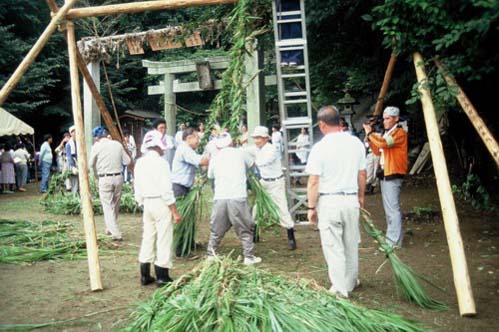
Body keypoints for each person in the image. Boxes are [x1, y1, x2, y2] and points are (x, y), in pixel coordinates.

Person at [306, 105, 366, 298]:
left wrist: (311, 206)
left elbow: (314, 181)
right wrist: (361, 196)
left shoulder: (319, 147)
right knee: (350, 243)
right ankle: (350, 281)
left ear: (322, 125)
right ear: (340, 121)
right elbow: (362, 173)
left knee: (333, 246)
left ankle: (340, 288)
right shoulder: (355, 143)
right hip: (351, 199)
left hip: (329, 201)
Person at [134, 130, 182, 287]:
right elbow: (166, 190)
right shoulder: (161, 163)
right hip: (161, 202)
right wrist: (174, 211)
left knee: (147, 236)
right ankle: (162, 275)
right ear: (158, 146)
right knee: (164, 238)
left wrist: (141, 201)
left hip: (147, 202)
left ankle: (145, 275)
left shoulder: (140, 162)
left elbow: (137, 187)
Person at [206, 133, 262, 265]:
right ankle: (248, 256)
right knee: (244, 227)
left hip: (220, 196)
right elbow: (253, 164)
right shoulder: (241, 153)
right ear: (231, 143)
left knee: (217, 227)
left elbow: (210, 175)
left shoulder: (215, 157)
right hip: (237, 195)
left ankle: (211, 253)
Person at [363, 106, 408, 247]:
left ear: (396, 119)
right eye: (384, 119)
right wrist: (370, 137)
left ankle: (394, 241)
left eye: (388, 118)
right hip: (385, 172)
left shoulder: (399, 133)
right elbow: (377, 150)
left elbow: (383, 144)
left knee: (392, 209)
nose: (385, 121)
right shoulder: (389, 133)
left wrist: (370, 134)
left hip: (393, 173)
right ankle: (392, 237)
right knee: (389, 208)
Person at [252, 126, 297, 250]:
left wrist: (249, 162)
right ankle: (255, 235)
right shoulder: (256, 149)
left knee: (282, 208)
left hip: (276, 183)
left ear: (266, 138)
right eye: (255, 138)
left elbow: (260, 162)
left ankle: (291, 237)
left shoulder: (272, 149)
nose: (256, 140)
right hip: (264, 182)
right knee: (257, 208)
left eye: (259, 138)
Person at [171, 127, 209, 256]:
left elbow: (201, 165)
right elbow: (201, 161)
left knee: (189, 218)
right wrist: (217, 156)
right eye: (197, 137)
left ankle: (189, 243)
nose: (198, 140)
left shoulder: (189, 150)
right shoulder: (184, 149)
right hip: (179, 188)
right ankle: (181, 249)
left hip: (185, 187)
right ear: (189, 138)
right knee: (183, 218)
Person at [90, 126, 131, 241]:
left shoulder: (96, 147)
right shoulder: (117, 144)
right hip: (119, 177)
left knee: (107, 206)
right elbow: (127, 161)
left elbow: (90, 163)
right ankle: (110, 227)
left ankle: (116, 233)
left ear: (96, 138)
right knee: (115, 205)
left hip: (104, 178)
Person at [278, 0, 303, 67]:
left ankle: (295, 57)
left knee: (295, 30)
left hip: (295, 4)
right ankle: (285, 58)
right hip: (281, 5)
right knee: (283, 32)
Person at [65, 126, 79, 193]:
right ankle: (74, 193)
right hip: (72, 163)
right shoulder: (69, 144)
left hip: (78, 163)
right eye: (73, 132)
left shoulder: (78, 142)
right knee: (74, 179)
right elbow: (69, 156)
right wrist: (73, 166)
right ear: (71, 134)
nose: (75, 133)